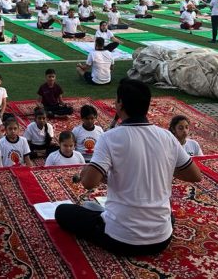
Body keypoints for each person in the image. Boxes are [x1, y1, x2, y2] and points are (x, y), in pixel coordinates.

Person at [55, 79, 202, 256]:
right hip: (161, 238)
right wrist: (163, 165)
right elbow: (195, 175)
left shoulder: (109, 137)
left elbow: (88, 183)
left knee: (62, 211)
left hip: (121, 239)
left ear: (120, 105)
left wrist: (91, 170)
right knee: (168, 216)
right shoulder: (166, 136)